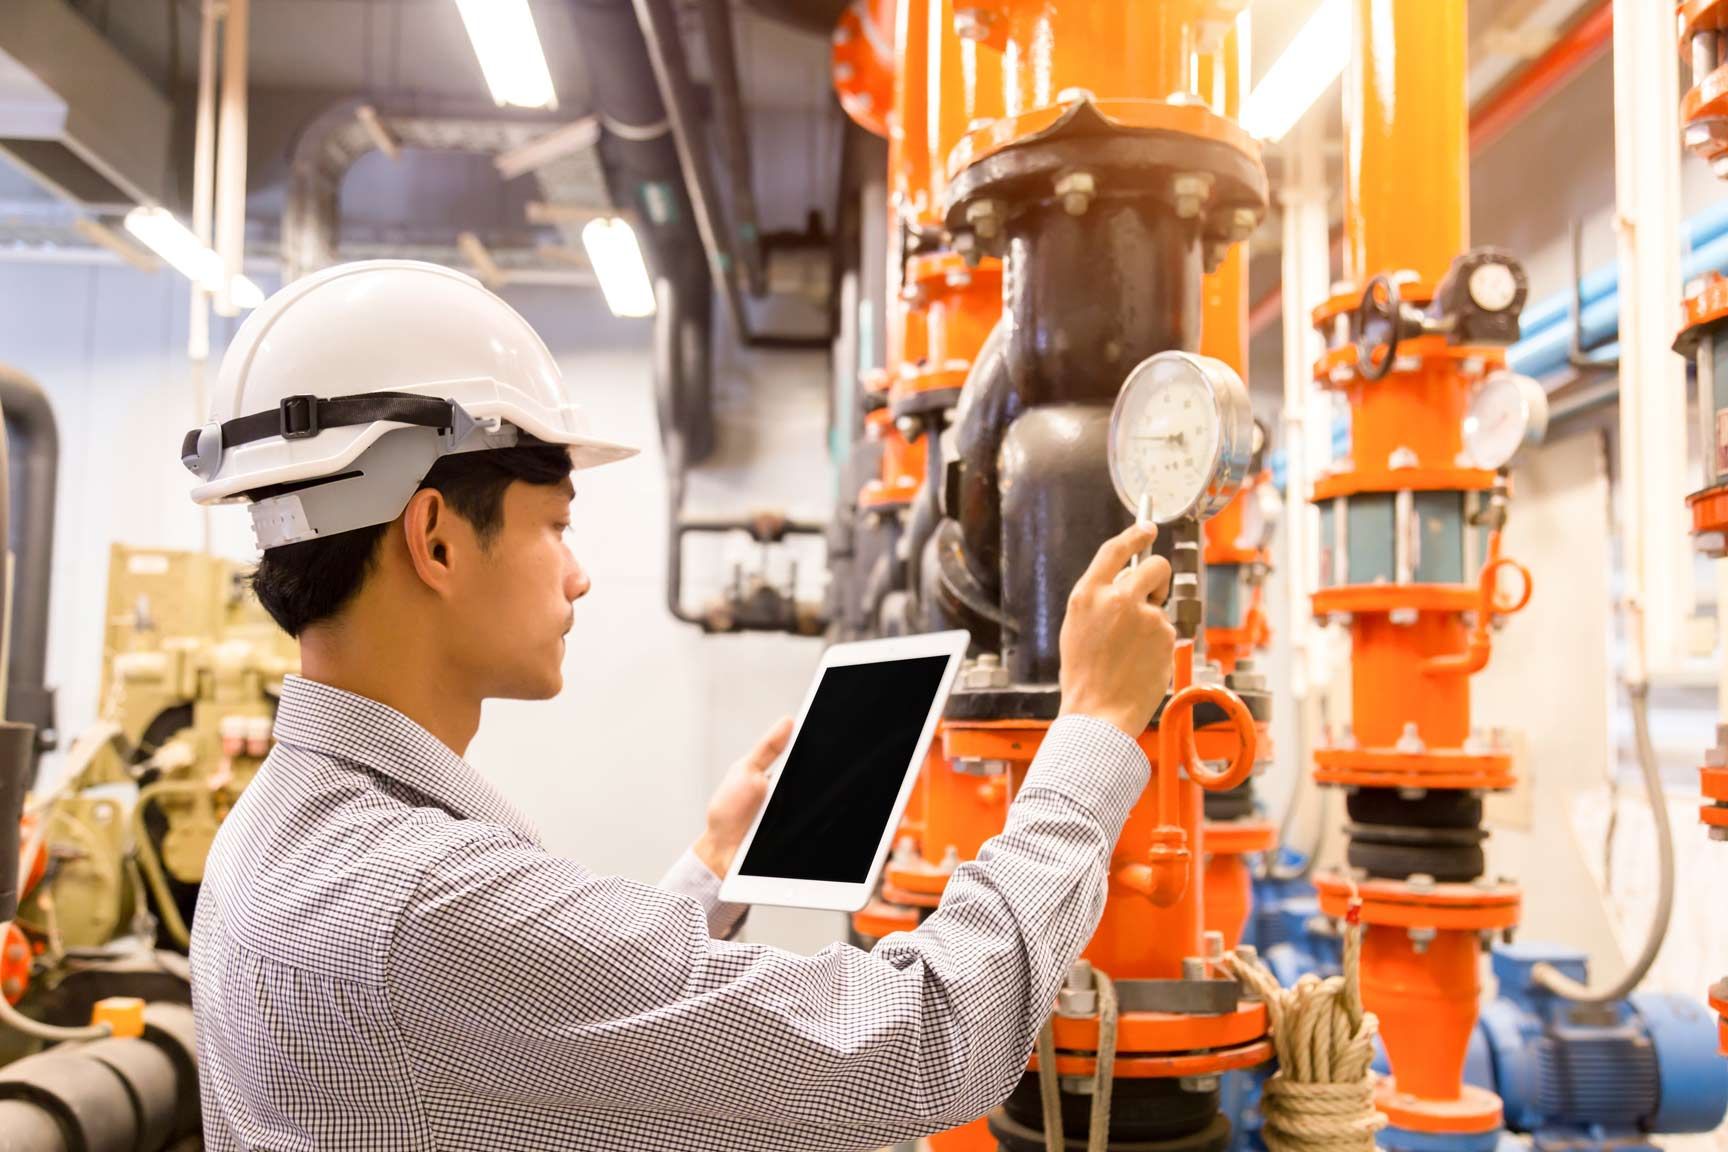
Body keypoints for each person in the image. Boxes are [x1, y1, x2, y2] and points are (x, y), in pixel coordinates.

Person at [182, 260, 1177, 1151]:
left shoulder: (273, 837)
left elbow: (525, 1016)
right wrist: (1090, 731)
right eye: (555, 528)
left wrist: (714, 863)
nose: (576, 579)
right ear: (435, 537)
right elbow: (926, 1036)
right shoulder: (419, 906)